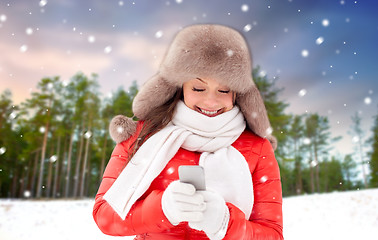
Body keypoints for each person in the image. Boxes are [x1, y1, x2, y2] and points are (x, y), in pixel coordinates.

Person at [93, 24, 283, 240]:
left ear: (237, 94)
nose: (211, 101)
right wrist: (163, 209)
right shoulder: (142, 136)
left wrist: (225, 222)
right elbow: (105, 216)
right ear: (178, 87)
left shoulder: (258, 148)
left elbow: (273, 234)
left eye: (223, 90)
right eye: (198, 88)